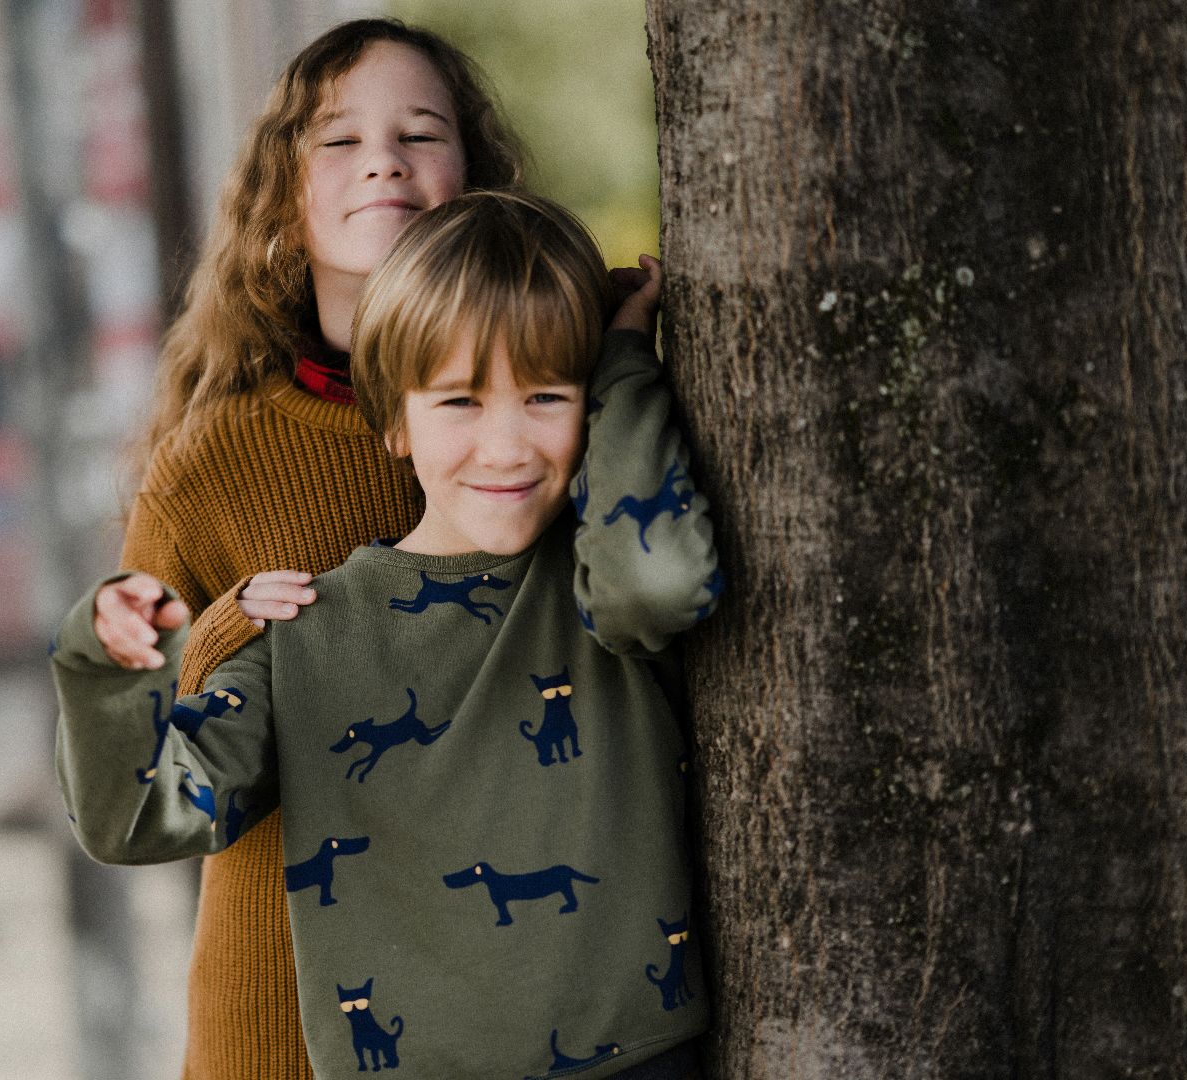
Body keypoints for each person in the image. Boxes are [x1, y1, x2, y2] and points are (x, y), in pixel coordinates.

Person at [56, 191, 721, 1080]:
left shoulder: (595, 578)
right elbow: (141, 819)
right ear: (394, 421)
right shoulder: (306, 634)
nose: (506, 446)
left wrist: (628, 363)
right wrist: (110, 667)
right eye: (459, 401)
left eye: (546, 395)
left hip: (636, 1062)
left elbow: (665, 581)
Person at [92, 18, 524, 1079]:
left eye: (421, 132)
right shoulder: (211, 463)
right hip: (280, 1007)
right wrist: (233, 633)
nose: (383, 157)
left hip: (511, 993)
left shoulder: (543, 419)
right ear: (284, 198)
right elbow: (133, 775)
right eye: (338, 140)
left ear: (472, 178)